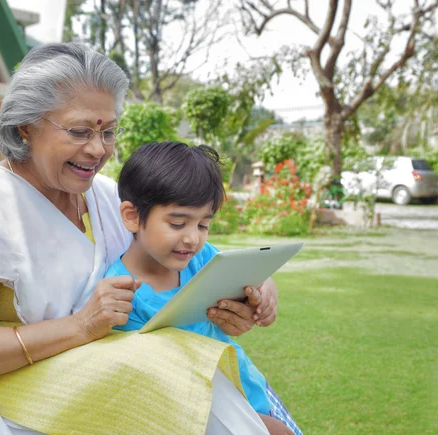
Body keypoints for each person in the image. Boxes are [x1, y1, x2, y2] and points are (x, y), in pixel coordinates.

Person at [0, 43, 280, 434]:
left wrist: (246, 294)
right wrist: (79, 327)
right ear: (26, 126)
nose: (97, 149)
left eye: (108, 132)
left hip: (119, 384)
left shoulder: (108, 198)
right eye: (79, 131)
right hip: (17, 402)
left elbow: (186, 264)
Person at [108, 141, 302, 435]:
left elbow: (253, 276)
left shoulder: (201, 259)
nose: (192, 239)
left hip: (250, 387)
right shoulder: (120, 295)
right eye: (177, 223)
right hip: (206, 413)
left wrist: (266, 290)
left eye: (202, 225)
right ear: (133, 216)